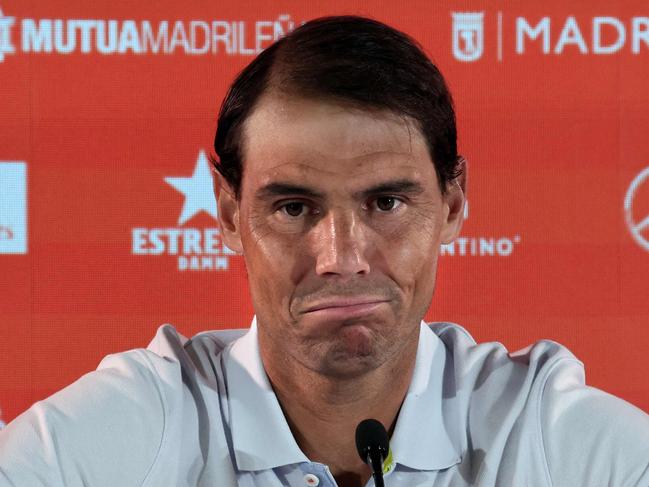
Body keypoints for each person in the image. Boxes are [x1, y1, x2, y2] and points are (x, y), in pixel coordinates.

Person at [1, 15, 648, 487]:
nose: (341, 256)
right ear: (229, 212)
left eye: (386, 203)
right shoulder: (150, 416)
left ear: (452, 204)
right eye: (293, 207)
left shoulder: (541, 429)